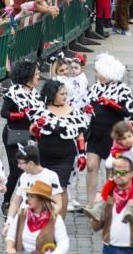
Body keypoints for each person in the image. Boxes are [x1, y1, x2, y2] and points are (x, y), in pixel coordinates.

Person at [30, 79, 87, 217]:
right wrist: (38, 126)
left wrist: (82, 155)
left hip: (65, 157)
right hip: (44, 156)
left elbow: (80, 136)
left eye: (66, 94)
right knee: (43, 187)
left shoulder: (74, 112)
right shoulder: (41, 111)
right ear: (53, 94)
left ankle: (59, 220)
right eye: (61, 94)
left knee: (61, 188)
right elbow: (32, 132)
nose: (65, 97)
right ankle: (43, 217)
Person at [85, 53, 133, 208]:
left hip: (113, 134)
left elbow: (128, 111)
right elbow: (87, 107)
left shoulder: (122, 89)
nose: (96, 75)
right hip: (95, 132)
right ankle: (90, 202)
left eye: (98, 72)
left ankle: (108, 201)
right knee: (91, 165)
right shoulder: (94, 88)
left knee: (110, 168)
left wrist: (114, 105)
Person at [0, 60, 43, 212]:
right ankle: (6, 202)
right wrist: (18, 115)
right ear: (28, 76)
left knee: (32, 168)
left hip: (29, 135)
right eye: (36, 74)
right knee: (16, 170)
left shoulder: (35, 93)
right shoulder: (14, 93)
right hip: (14, 135)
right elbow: (3, 112)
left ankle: (30, 199)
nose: (39, 76)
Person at [3, 142, 63, 237]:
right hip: (23, 220)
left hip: (43, 223)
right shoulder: (23, 177)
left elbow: (58, 203)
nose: (18, 166)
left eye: (20, 163)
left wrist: (45, 218)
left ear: (30, 163)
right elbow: (16, 202)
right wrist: (9, 222)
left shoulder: (51, 176)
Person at [5, 180, 69, 254]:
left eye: (32, 196)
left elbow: (63, 243)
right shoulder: (22, 214)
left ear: (42, 200)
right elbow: (10, 236)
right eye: (28, 195)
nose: (28, 198)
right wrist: (9, 248)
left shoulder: (55, 219)